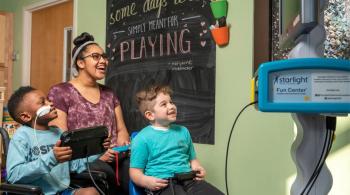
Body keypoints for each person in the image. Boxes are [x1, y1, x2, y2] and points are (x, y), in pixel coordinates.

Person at [48, 32, 130, 194]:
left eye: (104, 57)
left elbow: (121, 131)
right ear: (80, 63)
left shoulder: (109, 93)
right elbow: (62, 138)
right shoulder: (61, 92)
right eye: (95, 56)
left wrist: (121, 149)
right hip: (83, 162)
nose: (103, 61)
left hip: (115, 158)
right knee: (106, 174)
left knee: (140, 169)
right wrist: (98, 156)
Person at [6, 86, 102, 195]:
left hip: (62, 191)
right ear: (26, 116)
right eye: (42, 102)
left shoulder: (58, 133)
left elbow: (73, 165)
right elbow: (13, 175)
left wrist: (98, 149)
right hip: (35, 193)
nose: (50, 103)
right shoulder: (21, 137)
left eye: (48, 99)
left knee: (90, 193)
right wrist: (51, 158)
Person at [130, 84, 224, 195]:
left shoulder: (183, 131)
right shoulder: (142, 138)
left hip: (189, 180)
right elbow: (135, 172)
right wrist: (146, 181)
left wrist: (197, 168)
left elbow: (192, 159)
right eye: (164, 104)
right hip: (163, 184)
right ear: (150, 115)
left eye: (171, 102)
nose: (171, 106)